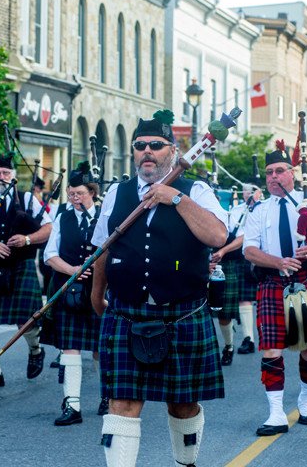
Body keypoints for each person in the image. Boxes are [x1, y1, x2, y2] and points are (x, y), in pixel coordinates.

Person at [91, 111, 228, 467]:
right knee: (121, 401)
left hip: (181, 312)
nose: (147, 151)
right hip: (126, 310)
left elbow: (217, 236)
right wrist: (96, 292)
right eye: (140, 146)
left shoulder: (195, 189)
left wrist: (175, 199)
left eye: (156, 145)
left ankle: (186, 463)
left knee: (182, 402)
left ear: (173, 149)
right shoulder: (116, 194)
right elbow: (103, 248)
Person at [243, 142, 307, 436]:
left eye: (279, 171)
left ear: (291, 173)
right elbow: (249, 250)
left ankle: (305, 399)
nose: (273, 177)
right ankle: (276, 413)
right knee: (271, 350)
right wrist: (277, 261)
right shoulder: (258, 209)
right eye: (268, 173)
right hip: (274, 282)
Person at [0, 155, 53, 389]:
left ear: (13, 176)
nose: (2, 178)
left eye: (6, 174)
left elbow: (49, 228)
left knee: (27, 319)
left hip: (22, 265)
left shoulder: (28, 198)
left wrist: (28, 238)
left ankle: (35, 350)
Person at [44, 161, 106, 425]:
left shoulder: (106, 216)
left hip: (100, 290)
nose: (74, 198)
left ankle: (108, 396)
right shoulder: (61, 216)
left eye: (79, 193)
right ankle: (72, 406)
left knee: (99, 348)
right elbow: (49, 255)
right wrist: (72, 270)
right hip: (69, 290)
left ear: (92, 192)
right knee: (70, 347)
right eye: (70, 193)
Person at [210, 182, 262, 365]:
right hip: (206, 264)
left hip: (233, 261)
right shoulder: (219, 213)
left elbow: (243, 237)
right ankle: (208, 349)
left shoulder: (238, 213)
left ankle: (231, 345)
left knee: (225, 312)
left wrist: (223, 251)